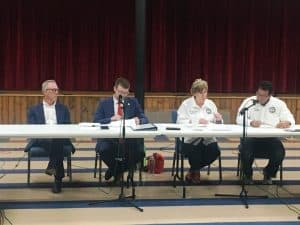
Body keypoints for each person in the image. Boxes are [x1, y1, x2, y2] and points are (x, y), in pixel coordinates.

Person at [236, 81, 295, 184]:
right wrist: (250, 122)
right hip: (251, 138)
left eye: (263, 96)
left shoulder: (279, 104)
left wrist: (287, 123)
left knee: (279, 153)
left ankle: (268, 173)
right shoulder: (249, 102)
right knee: (245, 151)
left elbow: (290, 119)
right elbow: (239, 118)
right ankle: (248, 175)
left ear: (270, 95)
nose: (259, 97)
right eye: (258, 94)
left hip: (270, 138)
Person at [94, 77, 149, 182]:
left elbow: (145, 119)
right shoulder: (104, 103)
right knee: (103, 149)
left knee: (140, 152)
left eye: (125, 93)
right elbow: (96, 121)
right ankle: (117, 170)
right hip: (109, 139)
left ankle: (114, 170)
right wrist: (111, 119)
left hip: (128, 139)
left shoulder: (133, 102)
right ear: (114, 89)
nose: (122, 95)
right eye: (120, 92)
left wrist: (139, 120)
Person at [25, 80, 75, 193]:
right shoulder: (34, 109)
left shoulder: (63, 108)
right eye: (52, 90)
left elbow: (68, 126)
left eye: (56, 90)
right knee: (56, 142)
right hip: (41, 139)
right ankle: (58, 178)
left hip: (60, 138)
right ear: (44, 92)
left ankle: (52, 166)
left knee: (58, 139)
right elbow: (32, 128)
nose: (55, 92)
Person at [176, 78, 222, 184]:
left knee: (215, 151)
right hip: (190, 139)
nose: (204, 95)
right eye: (201, 92)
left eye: (205, 92)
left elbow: (218, 123)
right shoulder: (186, 104)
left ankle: (193, 170)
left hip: (208, 138)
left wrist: (219, 119)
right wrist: (196, 121)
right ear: (195, 93)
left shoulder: (210, 104)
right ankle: (196, 173)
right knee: (196, 149)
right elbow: (180, 122)